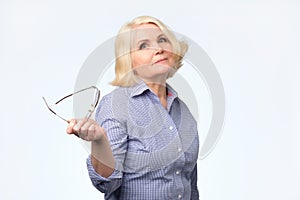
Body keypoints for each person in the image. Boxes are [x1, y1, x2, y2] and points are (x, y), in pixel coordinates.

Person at [66, 16, 199, 200]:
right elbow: (107, 183)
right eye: (144, 45)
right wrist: (99, 141)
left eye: (162, 40)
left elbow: (190, 186)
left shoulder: (184, 112)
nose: (159, 49)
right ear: (129, 61)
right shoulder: (116, 105)